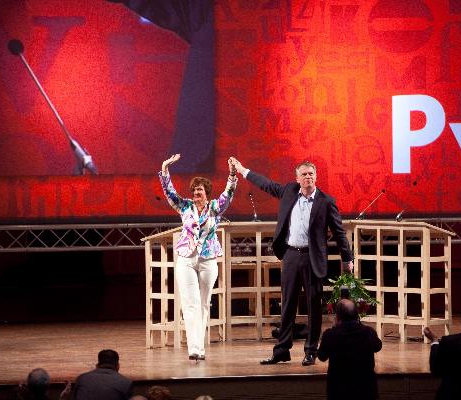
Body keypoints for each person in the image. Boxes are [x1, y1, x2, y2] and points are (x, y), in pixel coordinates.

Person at [230, 158, 353, 366]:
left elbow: (340, 233)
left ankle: (311, 351)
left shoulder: (325, 201)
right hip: (291, 255)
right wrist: (242, 170)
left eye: (311, 174)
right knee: (287, 304)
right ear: (297, 178)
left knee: (314, 307)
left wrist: (347, 258)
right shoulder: (288, 191)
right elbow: (266, 184)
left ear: (316, 177)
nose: (308, 177)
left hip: (312, 258)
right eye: (304, 174)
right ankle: (281, 350)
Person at [160, 154, 237, 360]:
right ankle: (194, 349)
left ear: (206, 193)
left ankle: (200, 348)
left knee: (204, 303)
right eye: (194, 191)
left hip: (208, 260)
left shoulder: (215, 208)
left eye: (199, 191)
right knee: (190, 303)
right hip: (186, 258)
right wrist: (165, 168)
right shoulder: (185, 207)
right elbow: (170, 192)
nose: (196, 193)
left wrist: (231, 173)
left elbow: (228, 193)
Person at [317, 299, 382, 400]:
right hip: (366, 391)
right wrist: (359, 324)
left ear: (337, 317)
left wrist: (334, 328)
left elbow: (321, 356)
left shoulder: (330, 335)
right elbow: (378, 346)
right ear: (357, 315)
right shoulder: (369, 333)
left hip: (339, 392)